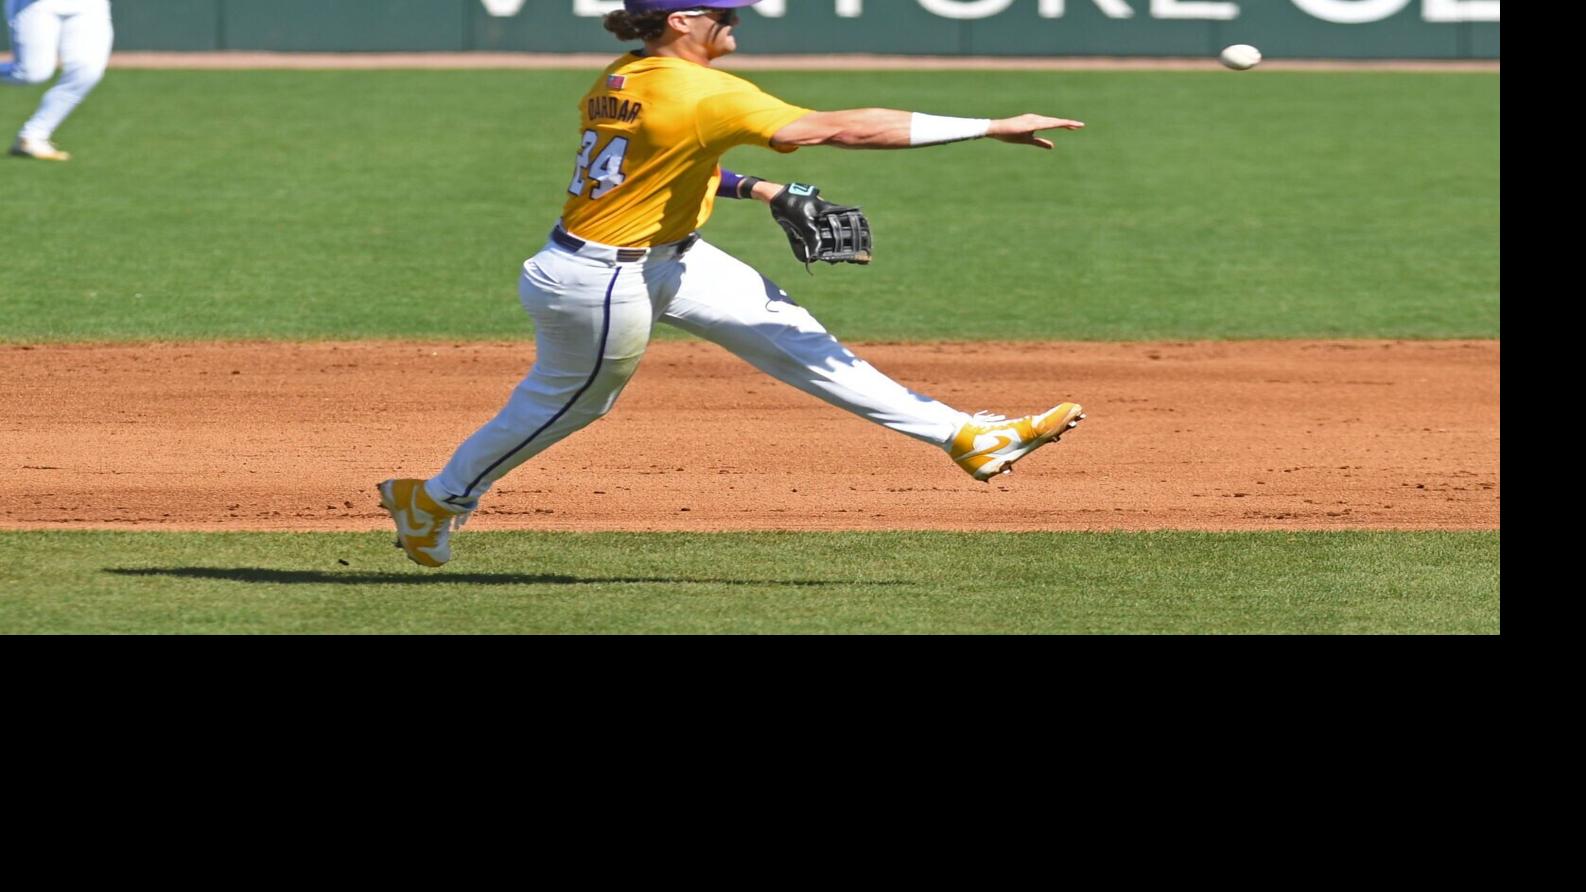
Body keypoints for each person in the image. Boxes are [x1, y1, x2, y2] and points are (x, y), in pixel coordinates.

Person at [378, 0, 1088, 568]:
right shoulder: (699, 91)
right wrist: (989, 125)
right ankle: (437, 500)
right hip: (597, 282)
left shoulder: (626, 74)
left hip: (669, 257)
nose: (736, 20)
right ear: (681, 22)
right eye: (722, 13)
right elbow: (843, 131)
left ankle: (967, 436)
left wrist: (762, 189)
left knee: (796, 336)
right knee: (570, 404)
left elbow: (676, 164)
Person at [2, 0, 112, 161]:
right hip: (36, 5)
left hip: (90, 5)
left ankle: (33, 136)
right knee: (30, 73)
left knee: (87, 72)